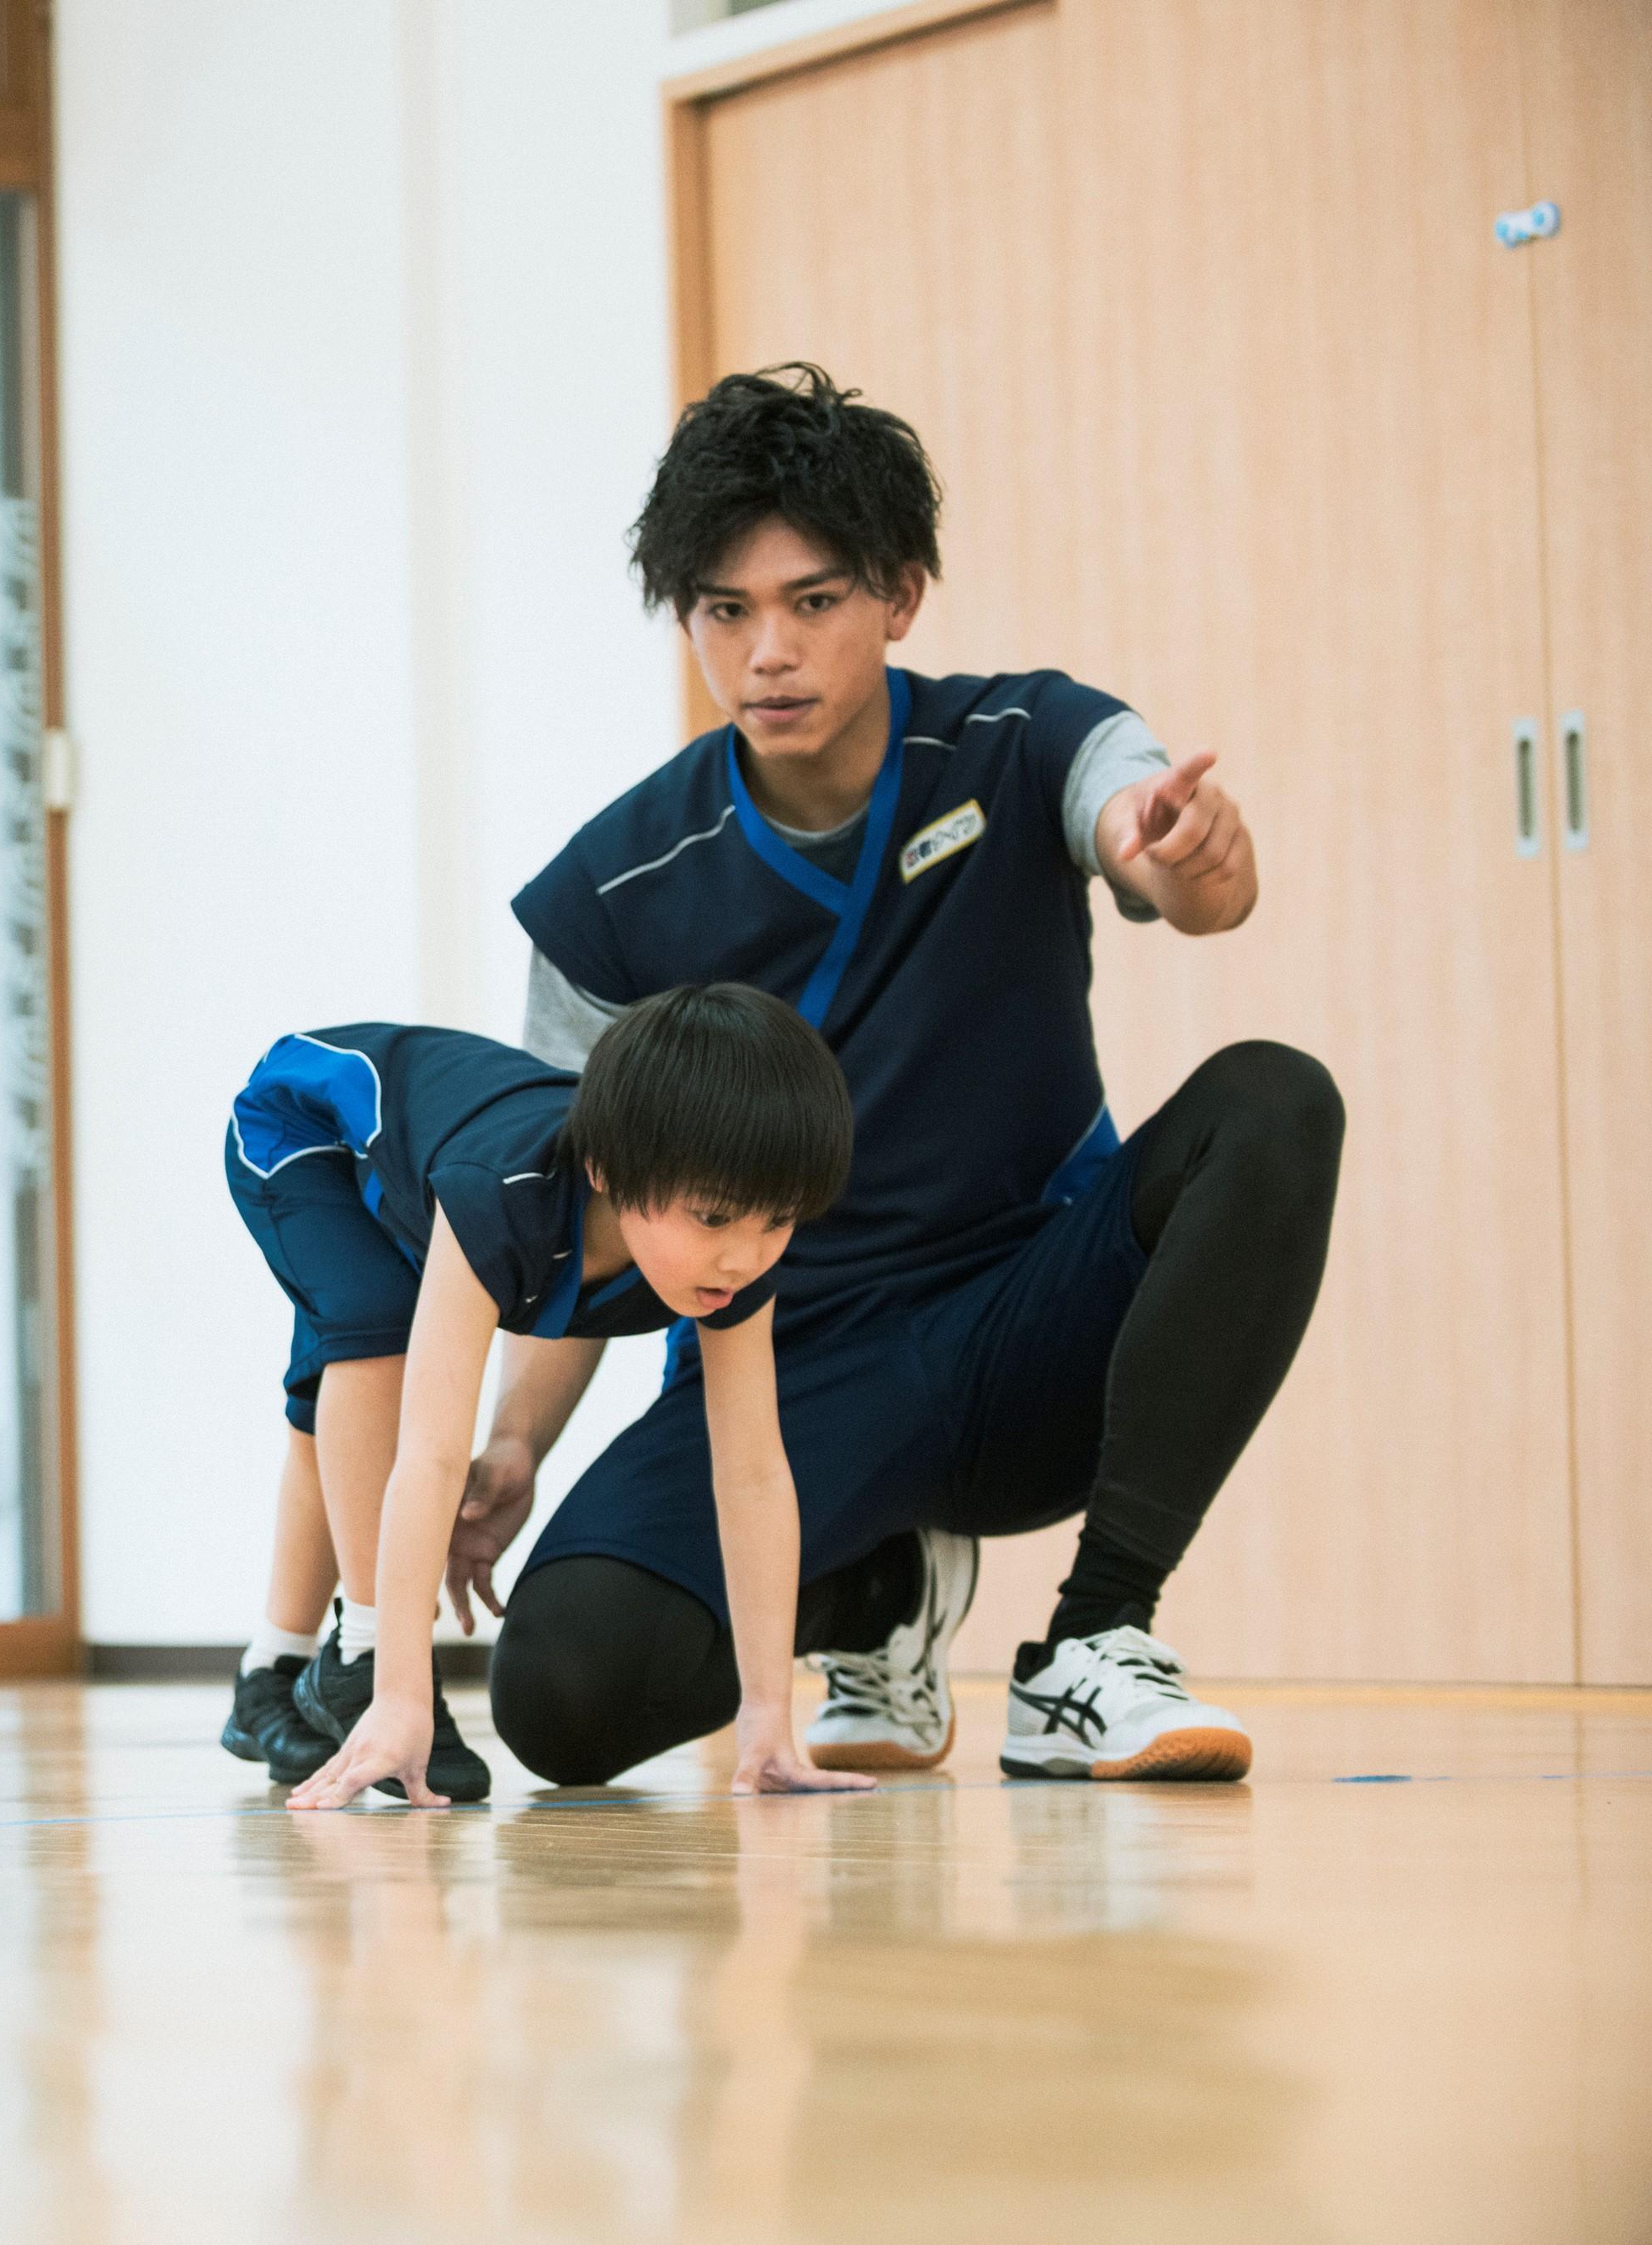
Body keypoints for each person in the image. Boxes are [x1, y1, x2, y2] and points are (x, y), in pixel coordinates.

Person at [471, 363, 1341, 1787]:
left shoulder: (1020, 739)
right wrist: (512, 1444)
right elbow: (579, 1212)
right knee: (563, 1694)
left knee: (1274, 1100)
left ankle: (1092, 1641)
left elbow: (1142, 829)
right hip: (785, 1367)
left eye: (813, 601)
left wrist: (1187, 860)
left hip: (1035, 1322)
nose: (768, 652)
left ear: (901, 594)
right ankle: (875, 1589)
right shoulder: (611, 890)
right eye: (724, 610)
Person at [210, 987, 863, 1809]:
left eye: (780, 1220)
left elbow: (753, 1473)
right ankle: (366, 1661)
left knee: (339, 1391)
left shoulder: (730, 1262)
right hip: (302, 1127)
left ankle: (269, 1674)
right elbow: (433, 1453)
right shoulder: (500, 1196)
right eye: (713, 1217)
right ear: (606, 1174)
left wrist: (767, 1718)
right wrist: (404, 1695)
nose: (743, 1256)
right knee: (371, 1343)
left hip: (407, 1160)